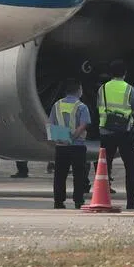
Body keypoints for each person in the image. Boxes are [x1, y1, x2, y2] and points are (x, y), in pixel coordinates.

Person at [98, 60, 134, 210]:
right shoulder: (129, 89)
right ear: (125, 73)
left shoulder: (102, 89)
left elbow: (99, 105)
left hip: (106, 131)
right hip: (124, 131)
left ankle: (102, 198)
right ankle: (131, 201)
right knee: (130, 167)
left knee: (104, 167)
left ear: (110, 73)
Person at [48, 77, 90, 209]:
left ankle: (58, 201)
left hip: (61, 146)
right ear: (78, 90)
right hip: (77, 146)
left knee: (60, 175)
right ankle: (78, 200)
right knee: (79, 175)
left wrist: (60, 139)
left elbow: (51, 125)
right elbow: (83, 125)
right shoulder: (81, 106)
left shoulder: (57, 105)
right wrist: (72, 138)